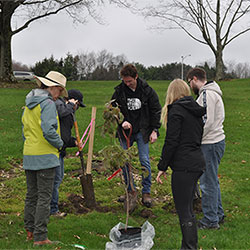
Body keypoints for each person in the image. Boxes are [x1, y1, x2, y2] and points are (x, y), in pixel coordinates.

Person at [156, 79, 206, 249]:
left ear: (171, 93)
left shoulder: (176, 111)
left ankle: (189, 247)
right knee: (188, 209)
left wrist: (162, 166)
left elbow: (171, 141)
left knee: (184, 210)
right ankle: (187, 246)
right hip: (196, 162)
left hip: (184, 166)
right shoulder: (195, 111)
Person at [22, 71, 67, 246]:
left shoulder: (29, 103)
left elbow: (25, 129)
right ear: (53, 88)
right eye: (60, 91)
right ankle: (41, 237)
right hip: (45, 156)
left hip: (29, 154)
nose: (60, 95)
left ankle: (30, 231)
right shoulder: (47, 104)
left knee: (31, 195)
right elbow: (49, 130)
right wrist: (60, 143)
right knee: (44, 197)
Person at [111, 64, 161, 213]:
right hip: (125, 132)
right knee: (124, 160)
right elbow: (113, 110)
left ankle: (146, 192)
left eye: (129, 81)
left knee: (144, 160)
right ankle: (130, 190)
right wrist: (122, 121)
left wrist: (155, 130)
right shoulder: (119, 92)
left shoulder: (147, 91)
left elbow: (156, 110)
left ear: (136, 77)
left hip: (142, 130)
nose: (127, 84)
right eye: (125, 81)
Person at [187, 67, 226, 230]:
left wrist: (195, 140)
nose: (190, 86)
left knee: (207, 183)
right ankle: (218, 214)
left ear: (195, 79)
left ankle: (210, 221)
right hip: (216, 141)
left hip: (209, 143)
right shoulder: (213, 93)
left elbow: (206, 121)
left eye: (189, 82)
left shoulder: (206, 94)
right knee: (212, 181)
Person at [50, 89, 85, 217]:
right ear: (73, 101)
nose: (77, 108)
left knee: (57, 179)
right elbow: (62, 134)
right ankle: (52, 209)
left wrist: (74, 141)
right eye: (78, 105)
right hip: (55, 150)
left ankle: (51, 206)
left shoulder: (68, 112)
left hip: (60, 149)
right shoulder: (61, 107)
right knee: (55, 180)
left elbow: (65, 136)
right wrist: (70, 105)